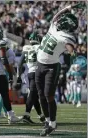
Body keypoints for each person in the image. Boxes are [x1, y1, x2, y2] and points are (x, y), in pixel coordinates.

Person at [35, 4, 80, 136]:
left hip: (51, 67)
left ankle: (52, 124)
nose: (59, 20)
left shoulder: (66, 36)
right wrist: (68, 7)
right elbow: (56, 16)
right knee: (40, 95)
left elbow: (69, 47)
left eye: (63, 20)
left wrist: (72, 54)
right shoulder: (54, 26)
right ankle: (48, 121)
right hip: (39, 64)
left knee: (48, 94)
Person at [17, 32, 45, 124]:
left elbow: (20, 64)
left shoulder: (26, 48)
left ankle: (41, 116)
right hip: (37, 73)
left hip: (29, 73)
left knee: (34, 95)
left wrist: (18, 76)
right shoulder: (40, 47)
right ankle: (26, 114)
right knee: (33, 94)